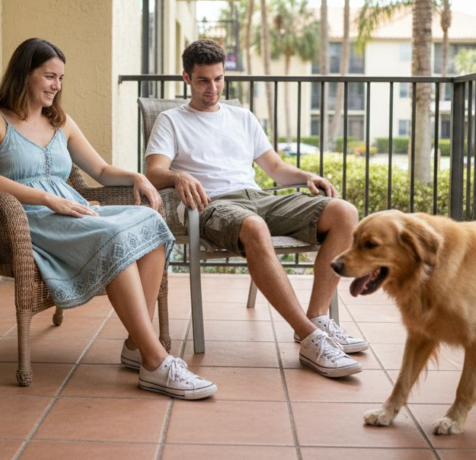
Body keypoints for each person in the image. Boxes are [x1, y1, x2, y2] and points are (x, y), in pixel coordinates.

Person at [0, 38, 216, 400]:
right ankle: (155, 361)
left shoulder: (60, 121)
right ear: (24, 75)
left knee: (150, 224)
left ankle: (136, 344)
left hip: (71, 211)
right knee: (111, 235)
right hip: (24, 219)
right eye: (49, 76)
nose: (57, 85)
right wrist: (46, 198)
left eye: (61, 78)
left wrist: (136, 177)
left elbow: (99, 169)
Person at [145, 39, 365, 378]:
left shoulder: (242, 117)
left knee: (344, 212)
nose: (212, 88)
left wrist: (307, 176)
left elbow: (275, 169)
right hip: (212, 205)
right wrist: (177, 177)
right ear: (186, 78)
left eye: (218, 79)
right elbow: (153, 172)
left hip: (257, 196)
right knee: (254, 227)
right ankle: (310, 338)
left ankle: (318, 315)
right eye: (203, 80)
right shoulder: (171, 120)